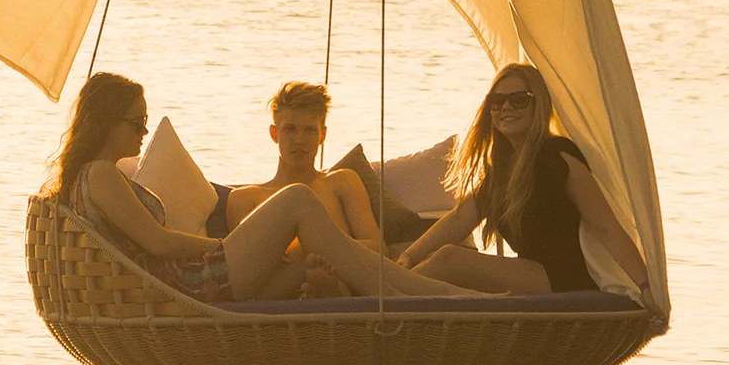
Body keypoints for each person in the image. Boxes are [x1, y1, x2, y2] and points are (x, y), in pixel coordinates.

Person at [47, 72, 464, 305]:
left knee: (310, 257)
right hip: (191, 284)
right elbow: (158, 242)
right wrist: (222, 248)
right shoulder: (100, 173)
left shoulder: (94, 176)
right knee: (297, 198)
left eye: (143, 121)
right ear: (106, 121)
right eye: (135, 121)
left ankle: (421, 293)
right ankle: (420, 296)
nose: (142, 131)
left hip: (203, 282)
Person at [403, 62, 652, 297]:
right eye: (497, 101)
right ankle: (386, 294)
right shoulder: (503, 168)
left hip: (564, 278)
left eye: (519, 100)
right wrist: (409, 256)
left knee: (450, 259)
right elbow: (459, 219)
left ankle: (387, 299)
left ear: (539, 105)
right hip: (530, 274)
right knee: (420, 262)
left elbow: (605, 226)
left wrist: (646, 287)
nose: (506, 108)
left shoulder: (556, 158)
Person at [219, 80, 385, 295]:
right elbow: (245, 266)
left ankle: (328, 287)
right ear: (274, 134)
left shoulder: (342, 182)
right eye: (290, 130)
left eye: (309, 130)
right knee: (300, 265)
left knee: (321, 269)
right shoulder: (244, 199)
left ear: (322, 136)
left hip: (343, 279)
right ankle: (321, 286)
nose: (300, 140)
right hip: (278, 290)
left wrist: (322, 247)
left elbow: (379, 250)